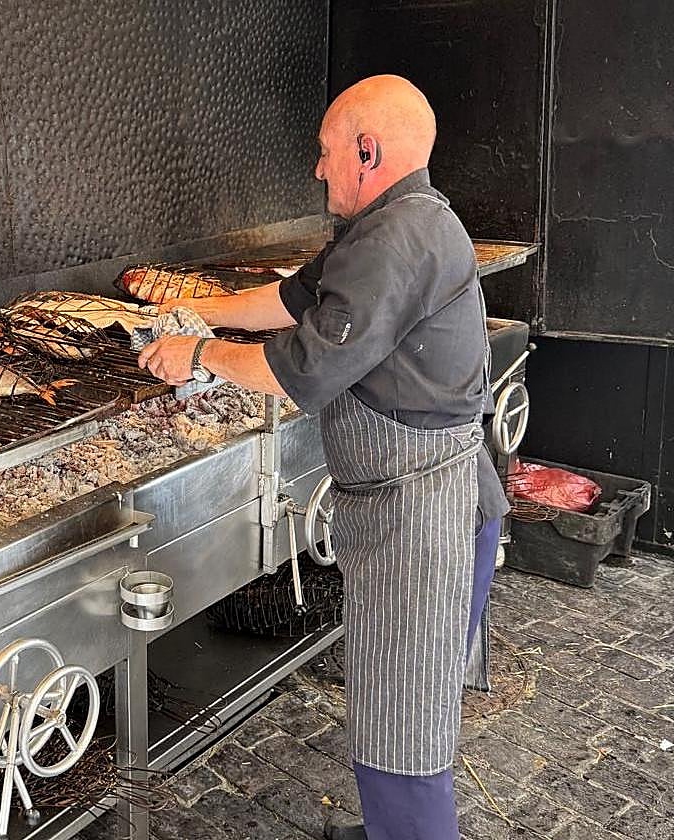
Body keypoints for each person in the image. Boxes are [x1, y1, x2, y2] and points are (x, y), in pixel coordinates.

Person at [138, 75, 509, 840]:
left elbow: (297, 369)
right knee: (392, 709)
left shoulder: (400, 239)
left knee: (403, 736)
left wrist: (199, 354)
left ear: (367, 150)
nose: (317, 168)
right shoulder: (389, 223)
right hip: (408, 509)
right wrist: (191, 308)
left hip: (425, 519)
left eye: (325, 151)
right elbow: (295, 300)